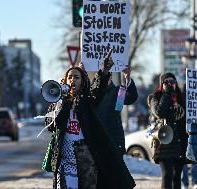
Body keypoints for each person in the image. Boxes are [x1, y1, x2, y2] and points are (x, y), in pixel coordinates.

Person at [44, 54, 135, 189]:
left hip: (85, 153)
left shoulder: (87, 100)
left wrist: (104, 71)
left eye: (76, 77)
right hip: (66, 154)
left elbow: (97, 90)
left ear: (83, 81)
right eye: (70, 77)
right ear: (65, 81)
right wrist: (58, 105)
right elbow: (50, 126)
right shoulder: (59, 101)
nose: (73, 80)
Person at [148, 72, 189, 189]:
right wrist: (166, 94)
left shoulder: (181, 98)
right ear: (162, 84)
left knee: (177, 177)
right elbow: (159, 112)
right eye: (167, 82)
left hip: (180, 142)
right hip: (164, 143)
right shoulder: (156, 97)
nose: (171, 84)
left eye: (173, 82)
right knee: (167, 176)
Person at [97, 65, 138, 154]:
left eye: (108, 76)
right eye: (103, 75)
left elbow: (131, 98)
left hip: (114, 139)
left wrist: (127, 78)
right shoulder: (93, 94)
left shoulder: (118, 91)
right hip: (97, 138)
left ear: (110, 77)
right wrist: (82, 71)